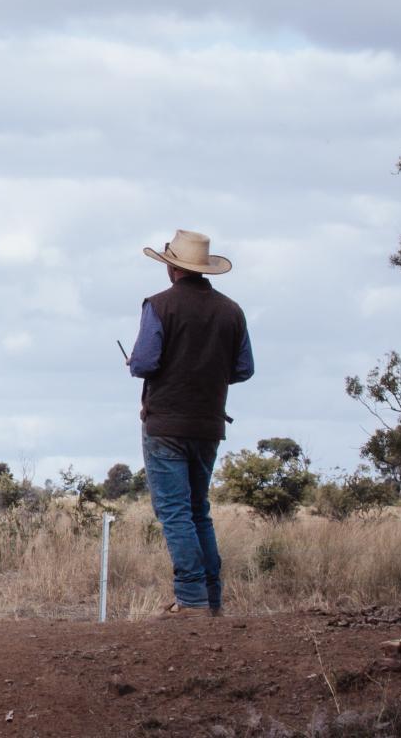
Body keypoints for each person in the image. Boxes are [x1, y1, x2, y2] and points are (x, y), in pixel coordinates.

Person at [127, 229, 253, 617]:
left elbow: (144, 363)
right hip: (209, 425)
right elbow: (243, 369)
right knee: (199, 510)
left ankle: (192, 600)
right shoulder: (232, 310)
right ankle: (211, 600)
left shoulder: (159, 306)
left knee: (175, 512)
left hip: (165, 425)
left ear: (172, 268)